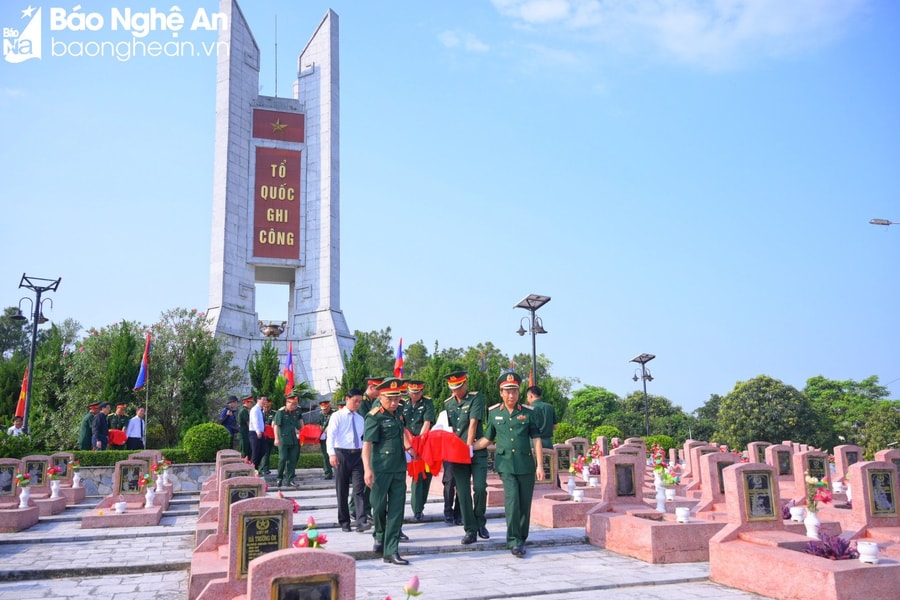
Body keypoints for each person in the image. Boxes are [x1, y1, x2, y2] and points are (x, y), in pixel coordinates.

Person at [473, 372, 544, 557]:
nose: (511, 395)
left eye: (514, 391)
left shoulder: (528, 413)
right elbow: (487, 439)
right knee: (512, 502)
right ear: (501, 393)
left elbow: (536, 439)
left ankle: (521, 537)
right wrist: (468, 448)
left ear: (518, 392)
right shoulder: (495, 413)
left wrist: (540, 466)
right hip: (505, 466)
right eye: (507, 391)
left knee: (524, 504)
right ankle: (514, 541)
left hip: (526, 465)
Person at [363, 378, 414, 565]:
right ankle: (379, 533)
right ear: (380, 396)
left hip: (399, 468)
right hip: (380, 468)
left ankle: (391, 550)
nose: (394, 403)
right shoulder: (374, 416)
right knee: (377, 507)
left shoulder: (398, 412)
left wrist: (409, 449)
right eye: (389, 399)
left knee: (396, 510)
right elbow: (367, 445)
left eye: (397, 398)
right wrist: (367, 469)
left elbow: (402, 432)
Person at [443, 370, 489, 544]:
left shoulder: (475, 398)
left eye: (459, 387)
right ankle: (470, 530)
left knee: (479, 488)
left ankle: (480, 522)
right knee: (462, 492)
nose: (456, 391)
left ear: (465, 384)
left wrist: (469, 447)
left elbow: (473, 424)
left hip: (475, 450)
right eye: (453, 388)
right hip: (457, 453)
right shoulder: (448, 404)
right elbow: (449, 429)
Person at [326, 388, 371, 533]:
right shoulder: (337, 416)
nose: (357, 404)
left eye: (360, 401)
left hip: (357, 455)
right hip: (341, 455)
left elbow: (364, 438)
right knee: (342, 489)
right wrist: (331, 454)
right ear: (347, 399)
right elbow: (331, 436)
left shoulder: (360, 418)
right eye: (355, 401)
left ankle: (361, 521)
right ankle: (344, 521)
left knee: (359, 489)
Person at [402, 380, 434, 521]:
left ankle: (421, 505)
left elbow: (427, 422)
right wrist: (409, 443)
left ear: (422, 391)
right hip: (408, 444)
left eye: (417, 392)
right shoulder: (403, 404)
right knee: (416, 476)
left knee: (425, 475)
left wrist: (420, 441)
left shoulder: (427, 403)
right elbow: (401, 425)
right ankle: (417, 508)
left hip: (424, 444)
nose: (414, 395)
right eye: (412, 392)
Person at [526, 385, 557, 485]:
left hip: (533, 442)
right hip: (548, 442)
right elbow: (555, 426)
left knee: (532, 468)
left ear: (530, 396)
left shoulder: (529, 409)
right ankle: (557, 486)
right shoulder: (550, 407)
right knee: (551, 469)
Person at [274, 394, 302, 487]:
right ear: (287, 403)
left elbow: (299, 422)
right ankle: (279, 478)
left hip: (294, 440)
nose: (293, 406)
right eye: (292, 404)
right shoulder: (280, 412)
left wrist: (302, 431)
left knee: (292, 460)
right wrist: (276, 438)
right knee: (282, 459)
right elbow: (276, 426)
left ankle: (290, 479)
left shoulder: (296, 412)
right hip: (283, 440)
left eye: (295, 404)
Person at [249, 396, 267, 470]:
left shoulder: (260, 410)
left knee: (263, 450)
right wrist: (258, 431)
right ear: (258, 400)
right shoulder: (255, 409)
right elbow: (255, 421)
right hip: (255, 432)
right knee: (255, 452)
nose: (265, 401)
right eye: (263, 399)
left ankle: (255, 468)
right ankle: (252, 469)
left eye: (265, 400)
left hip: (260, 432)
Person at [318, 400, 334, 480]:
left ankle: (339, 472)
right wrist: (320, 433)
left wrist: (326, 431)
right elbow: (320, 424)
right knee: (325, 456)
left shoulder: (334, 414)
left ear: (329, 406)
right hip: (323, 438)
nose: (324, 410)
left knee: (335, 455)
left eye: (326, 408)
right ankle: (328, 473)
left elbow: (332, 425)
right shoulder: (321, 414)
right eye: (323, 409)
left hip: (332, 437)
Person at [261, 398, 276, 475]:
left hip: (270, 436)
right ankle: (264, 469)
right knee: (264, 452)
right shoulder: (260, 413)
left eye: (268, 407)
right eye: (265, 406)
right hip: (261, 436)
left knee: (268, 452)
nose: (266, 408)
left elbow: (273, 424)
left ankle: (264, 468)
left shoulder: (273, 413)